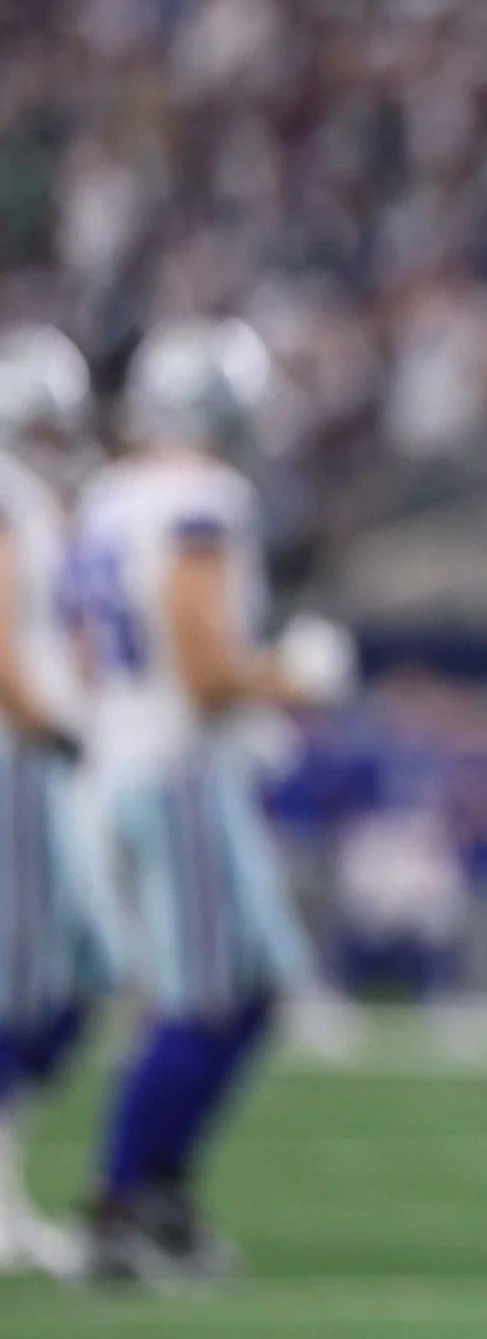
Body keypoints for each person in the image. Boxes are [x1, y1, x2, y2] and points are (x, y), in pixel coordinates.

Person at [74, 319, 341, 1285]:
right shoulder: (200, 498)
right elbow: (200, 665)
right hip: (177, 768)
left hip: (134, 758)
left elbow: (94, 648)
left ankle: (163, 1189)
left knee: (258, 984)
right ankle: (118, 1207)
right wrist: (290, 679)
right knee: (201, 998)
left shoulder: (113, 495)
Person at [0, 328, 112, 1277]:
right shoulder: (9, 496)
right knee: (27, 980)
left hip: (33, 751)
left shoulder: (38, 503)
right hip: (16, 753)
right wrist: (52, 722)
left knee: (79, 970)